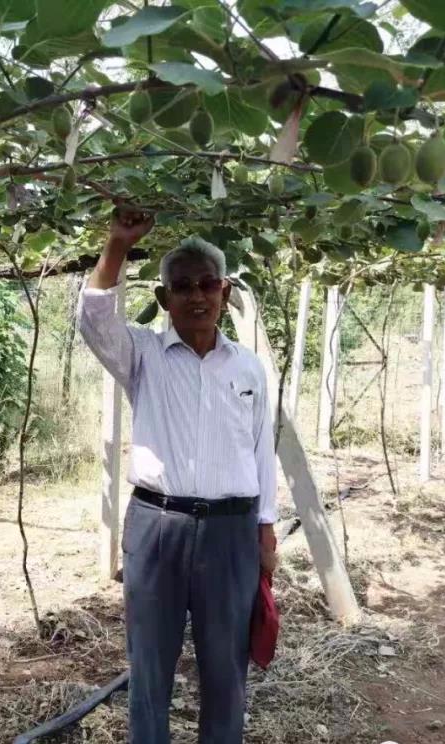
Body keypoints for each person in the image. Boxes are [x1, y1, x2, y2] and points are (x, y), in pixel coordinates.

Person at [77, 209, 279, 744]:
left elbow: (261, 449)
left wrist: (265, 529)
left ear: (224, 291)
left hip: (231, 532)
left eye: (207, 283)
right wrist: (117, 245)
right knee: (149, 667)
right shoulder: (142, 354)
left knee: (225, 669)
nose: (196, 295)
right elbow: (94, 318)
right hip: (157, 526)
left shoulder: (248, 368)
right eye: (182, 286)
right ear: (164, 300)